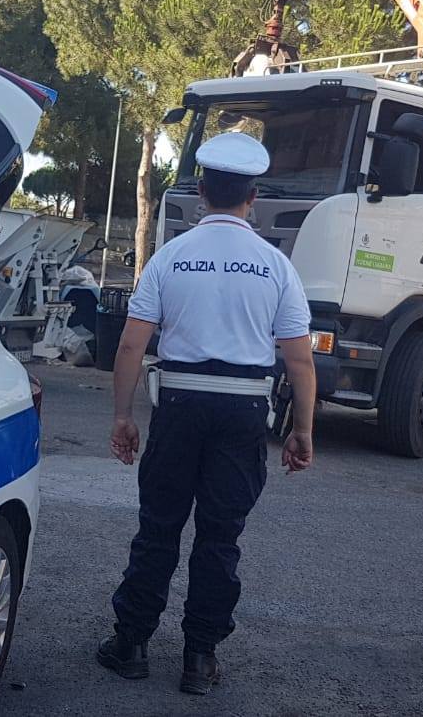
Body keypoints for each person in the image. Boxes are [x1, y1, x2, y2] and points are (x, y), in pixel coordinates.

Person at [96, 131, 318, 696]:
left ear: (201, 190)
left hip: (179, 403)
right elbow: (298, 358)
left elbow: (130, 345)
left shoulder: (170, 257)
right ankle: (199, 658)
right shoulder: (275, 267)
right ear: (254, 196)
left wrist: (124, 416)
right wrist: (303, 429)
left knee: (158, 528)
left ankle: (132, 645)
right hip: (244, 410)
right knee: (221, 537)